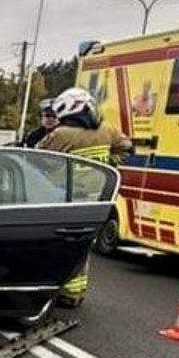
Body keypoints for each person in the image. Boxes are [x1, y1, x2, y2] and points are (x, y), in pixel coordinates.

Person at [36, 87, 134, 308]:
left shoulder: (61, 134)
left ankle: (53, 289)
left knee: (57, 246)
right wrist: (109, 164)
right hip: (97, 200)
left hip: (66, 198)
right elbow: (128, 149)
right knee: (83, 246)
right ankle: (74, 294)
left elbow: (36, 157)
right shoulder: (108, 130)